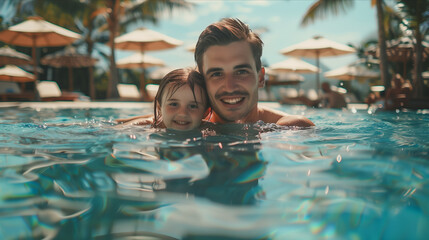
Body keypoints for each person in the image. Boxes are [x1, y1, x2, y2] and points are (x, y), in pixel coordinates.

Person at [118, 18, 314, 127]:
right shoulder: (184, 120)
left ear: (260, 77)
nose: (229, 86)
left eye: (241, 71)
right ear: (202, 79)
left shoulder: (290, 127)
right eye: (216, 74)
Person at [118, 68, 210, 131]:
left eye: (193, 106)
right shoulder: (143, 126)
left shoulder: (208, 129)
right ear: (159, 106)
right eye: (174, 104)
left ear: (206, 112)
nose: (182, 113)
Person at [281, 82, 347, 109]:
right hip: (319, 105)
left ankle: (287, 99)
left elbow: (332, 105)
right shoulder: (333, 93)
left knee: (302, 98)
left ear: (326, 87)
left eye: (323, 87)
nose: (323, 88)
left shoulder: (331, 94)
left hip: (318, 106)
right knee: (302, 97)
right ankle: (287, 99)